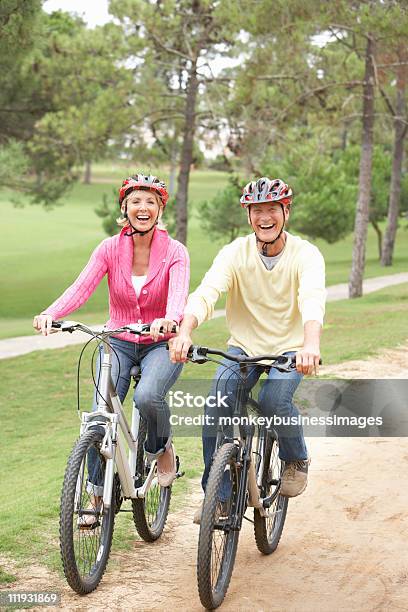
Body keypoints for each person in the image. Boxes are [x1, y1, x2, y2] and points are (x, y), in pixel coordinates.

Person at [169, 177, 326, 523]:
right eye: (257, 211)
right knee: (215, 409)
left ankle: (296, 457)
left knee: (273, 401)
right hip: (243, 347)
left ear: (286, 211)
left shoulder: (306, 254)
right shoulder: (235, 253)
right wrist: (185, 331)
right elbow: (207, 292)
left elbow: (312, 300)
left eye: (272, 209)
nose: (265, 217)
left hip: (290, 348)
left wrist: (310, 344)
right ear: (248, 215)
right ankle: (219, 496)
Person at [33, 174, 190, 513]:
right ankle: (94, 496)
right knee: (98, 418)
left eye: (150, 202)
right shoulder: (109, 248)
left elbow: (178, 294)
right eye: (136, 201)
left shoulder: (175, 252)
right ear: (125, 208)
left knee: (149, 396)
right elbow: (81, 288)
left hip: (160, 342)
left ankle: (161, 447)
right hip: (117, 340)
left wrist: (171, 318)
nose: (142, 208)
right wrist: (50, 313)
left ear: (160, 209)